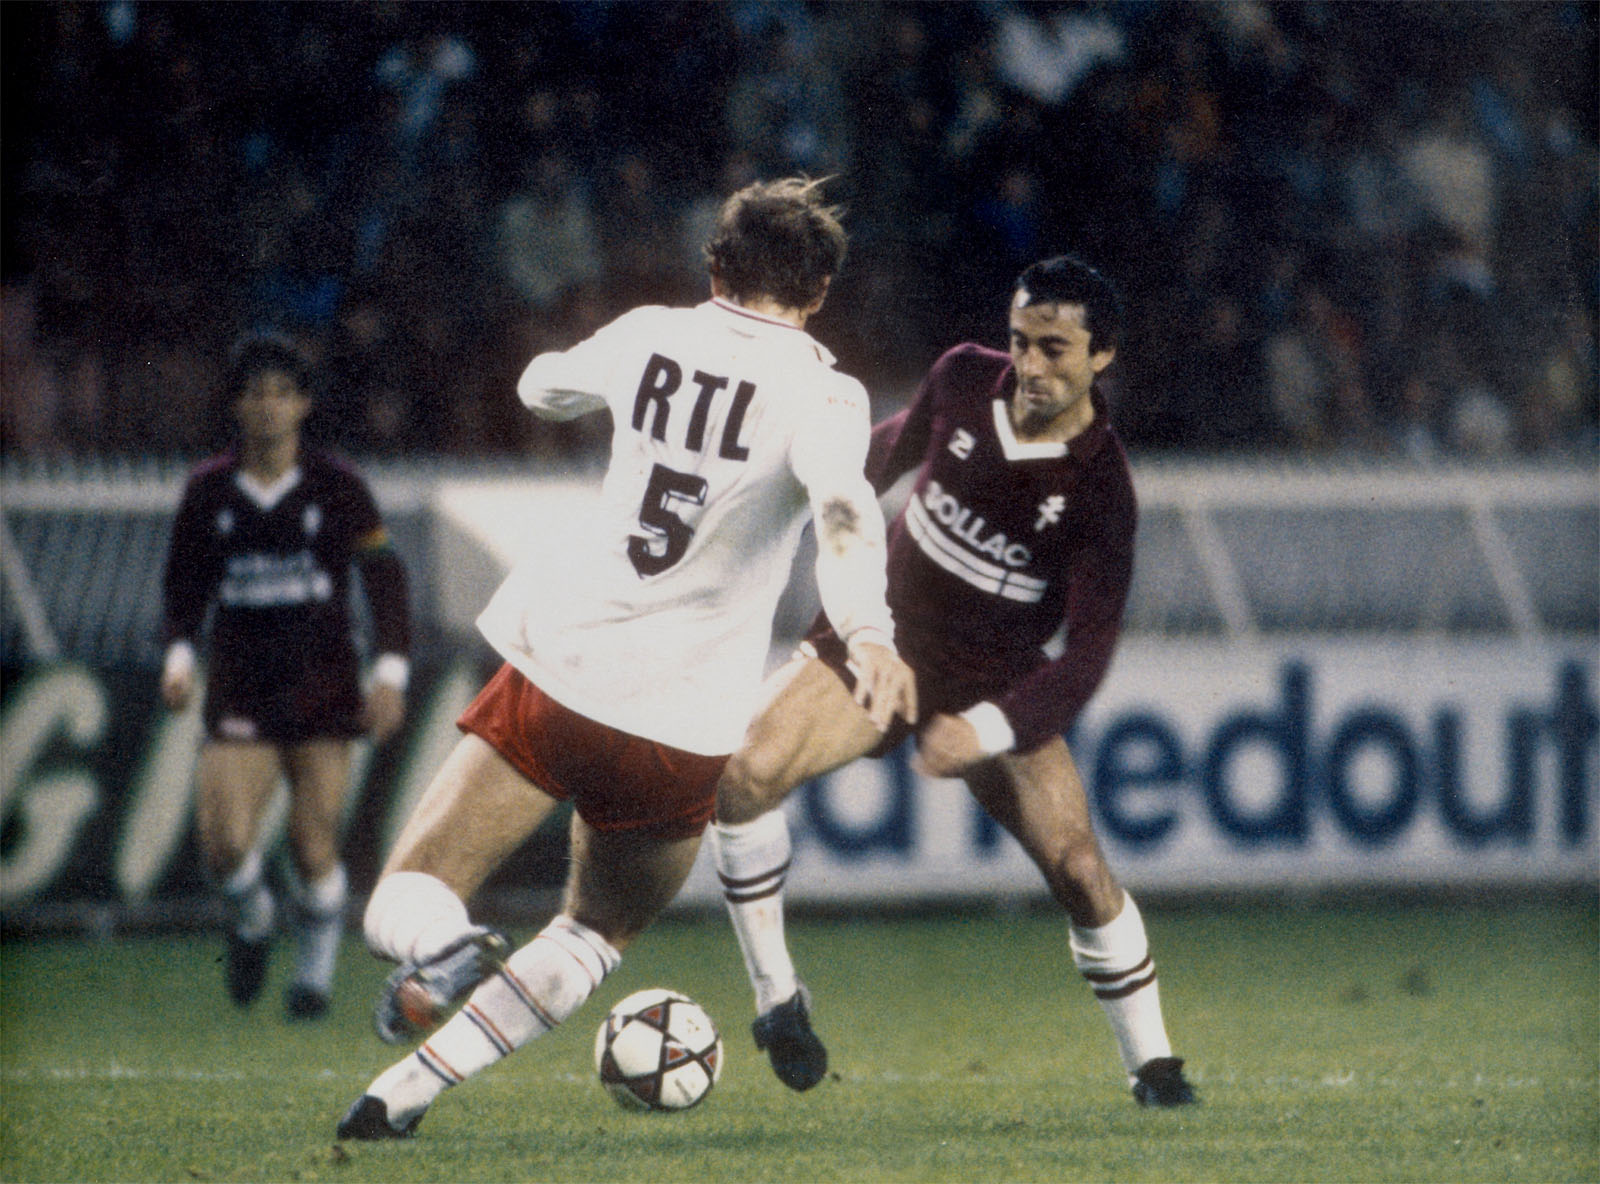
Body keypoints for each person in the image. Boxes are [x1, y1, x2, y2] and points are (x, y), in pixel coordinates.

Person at [336, 177, 917, 1140]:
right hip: (682, 727)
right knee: (592, 932)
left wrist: (571, 374)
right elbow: (844, 508)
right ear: (819, 292)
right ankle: (403, 1092)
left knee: (407, 891)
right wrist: (868, 632)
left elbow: (540, 388)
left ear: (715, 266)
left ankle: (440, 944)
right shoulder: (826, 392)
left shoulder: (650, 334)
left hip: (565, 669)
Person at [710, 254, 1199, 1108]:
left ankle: (1155, 1070)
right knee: (742, 774)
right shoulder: (964, 378)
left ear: (1102, 356)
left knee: (1081, 869)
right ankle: (778, 1000)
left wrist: (990, 728)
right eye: (1021, 341)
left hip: (995, 680)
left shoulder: (1102, 490)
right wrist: (773, 510)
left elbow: (1086, 658)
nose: (1030, 365)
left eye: (1054, 348)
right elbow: (878, 457)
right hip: (882, 644)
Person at [159, 331, 412, 1020]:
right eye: (254, 393)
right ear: (236, 405)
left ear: (303, 404)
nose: (268, 406)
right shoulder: (208, 490)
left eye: (281, 393)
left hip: (323, 688)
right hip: (240, 688)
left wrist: (390, 673)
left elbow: (385, 579)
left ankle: (313, 979)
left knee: (311, 843)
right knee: (224, 844)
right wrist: (179, 658)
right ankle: (253, 917)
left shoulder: (339, 485)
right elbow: (183, 587)